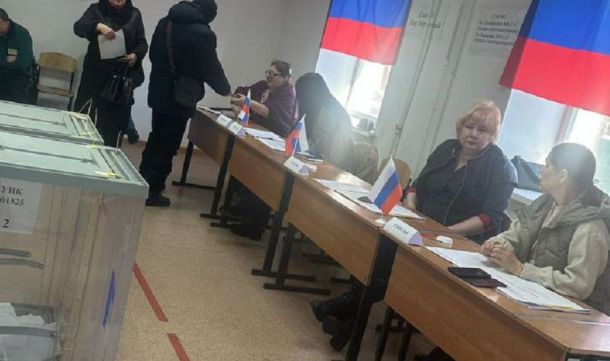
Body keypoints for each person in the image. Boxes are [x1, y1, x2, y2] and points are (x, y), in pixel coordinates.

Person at [313, 100, 517, 352]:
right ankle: (348, 318)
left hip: (456, 242)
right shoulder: (447, 149)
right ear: (460, 128)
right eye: (469, 127)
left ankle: (345, 312)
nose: (473, 134)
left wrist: (447, 231)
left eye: (482, 130)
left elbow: (490, 218)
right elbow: (416, 184)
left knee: (393, 264)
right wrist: (411, 206)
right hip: (420, 224)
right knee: (380, 246)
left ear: (493, 135)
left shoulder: (501, 168)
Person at [225, 72, 369, 240]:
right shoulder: (319, 108)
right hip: (314, 164)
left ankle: (254, 223)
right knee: (269, 168)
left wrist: (307, 154)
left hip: (329, 172)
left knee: (273, 176)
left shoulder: (329, 114)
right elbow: (300, 134)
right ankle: (247, 213)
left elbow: (333, 156)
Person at [483, 142, 609, 315]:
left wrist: (521, 270)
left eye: (547, 165)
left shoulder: (591, 226)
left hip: (570, 317)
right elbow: (514, 236)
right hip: (528, 296)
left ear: (562, 176)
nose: (541, 170)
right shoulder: (544, 204)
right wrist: (496, 245)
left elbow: (578, 284)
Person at [139, 0, 230, 207]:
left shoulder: (166, 22)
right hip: (181, 96)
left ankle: (141, 179)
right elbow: (210, 66)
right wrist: (225, 89)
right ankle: (153, 190)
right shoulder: (203, 33)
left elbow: (153, 55)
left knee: (156, 136)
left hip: (158, 90)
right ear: (209, 14)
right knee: (169, 143)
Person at [73, 0, 147, 148]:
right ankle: (80, 152)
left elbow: (142, 43)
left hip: (119, 78)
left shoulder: (135, 15)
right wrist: (98, 26)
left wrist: (135, 55)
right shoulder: (95, 10)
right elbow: (78, 28)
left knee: (112, 126)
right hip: (95, 76)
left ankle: (107, 154)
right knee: (86, 119)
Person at [229, 60, 297, 137]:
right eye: (268, 73)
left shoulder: (288, 93)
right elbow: (240, 93)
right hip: (253, 129)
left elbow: (271, 113)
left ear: (285, 78)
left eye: (273, 74)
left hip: (274, 135)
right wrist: (237, 108)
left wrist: (248, 102)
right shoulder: (263, 85)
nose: (268, 77)